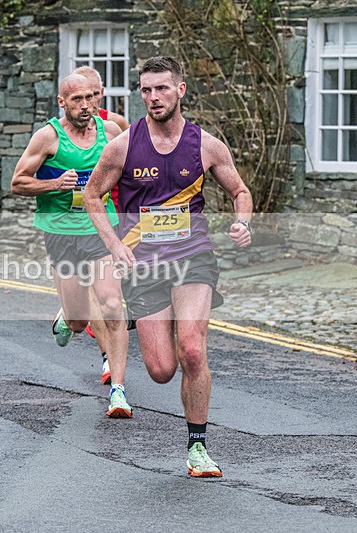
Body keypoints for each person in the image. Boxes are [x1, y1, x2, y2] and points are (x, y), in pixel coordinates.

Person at [85, 56, 253, 477]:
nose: (153, 97)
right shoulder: (122, 146)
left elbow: (240, 190)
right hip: (144, 265)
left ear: (181, 90)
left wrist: (242, 222)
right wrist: (114, 245)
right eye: (146, 90)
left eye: (162, 88)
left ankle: (198, 448)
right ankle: (149, 322)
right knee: (161, 370)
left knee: (193, 350)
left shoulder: (206, 145)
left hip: (193, 258)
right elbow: (92, 197)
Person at [11, 73, 132, 418]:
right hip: (61, 233)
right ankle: (68, 315)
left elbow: (136, 169)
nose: (84, 106)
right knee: (80, 321)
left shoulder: (111, 133)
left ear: (97, 99)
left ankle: (119, 390)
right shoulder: (48, 137)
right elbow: (17, 182)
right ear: (62, 102)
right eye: (76, 100)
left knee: (111, 303)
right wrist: (53, 185)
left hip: (99, 227)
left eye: (89, 99)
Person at [73, 66, 131, 386]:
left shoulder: (116, 125)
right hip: (78, 219)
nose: (89, 102)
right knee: (98, 289)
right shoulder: (61, 132)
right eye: (83, 95)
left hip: (115, 213)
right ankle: (108, 358)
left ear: (102, 94)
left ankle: (75, 311)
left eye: (94, 95)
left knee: (111, 293)